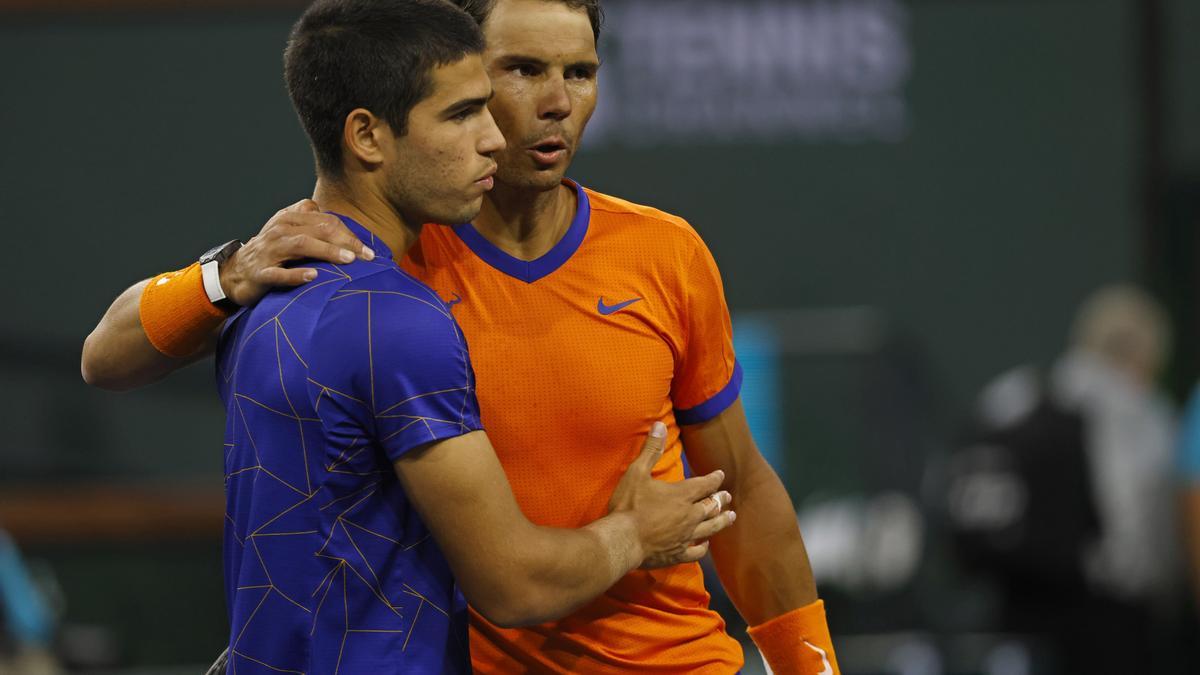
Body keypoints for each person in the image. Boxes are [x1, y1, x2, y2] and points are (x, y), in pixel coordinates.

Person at [81, 0, 840, 672]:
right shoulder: (363, 267)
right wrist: (229, 272)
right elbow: (106, 354)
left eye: (579, 72)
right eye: (519, 71)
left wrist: (810, 666)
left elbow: (738, 485)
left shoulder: (667, 252)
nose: (555, 103)